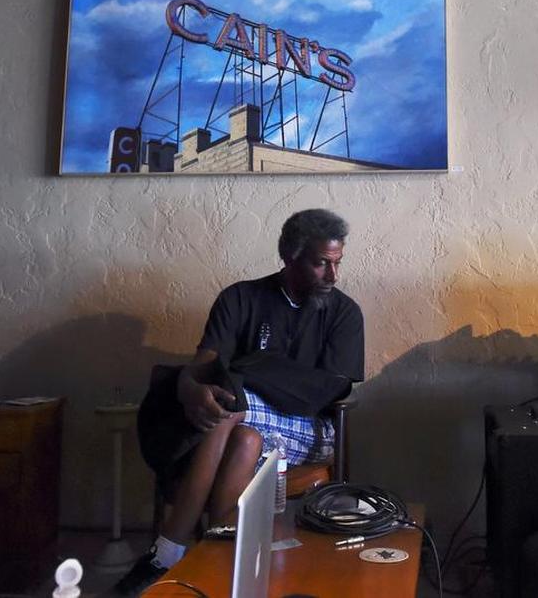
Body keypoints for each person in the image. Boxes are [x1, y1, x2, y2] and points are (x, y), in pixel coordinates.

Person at [113, 208, 364, 595]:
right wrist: (191, 389)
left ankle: (166, 552)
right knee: (244, 436)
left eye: (337, 263)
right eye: (321, 264)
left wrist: (246, 375)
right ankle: (220, 556)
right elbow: (203, 366)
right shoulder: (240, 298)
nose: (333, 275)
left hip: (313, 429)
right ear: (290, 257)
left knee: (233, 403)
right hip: (240, 425)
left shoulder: (344, 313)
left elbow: (328, 389)